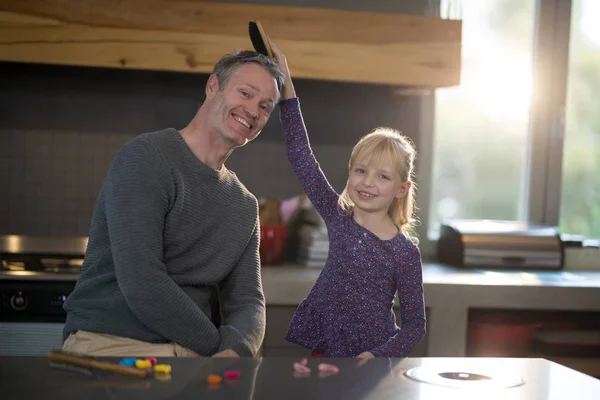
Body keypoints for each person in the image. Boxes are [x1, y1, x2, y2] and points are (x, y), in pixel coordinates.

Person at [62, 50, 285, 357]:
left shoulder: (244, 205)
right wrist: (215, 347)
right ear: (212, 87)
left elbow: (248, 301)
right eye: (245, 93)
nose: (252, 110)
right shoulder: (146, 158)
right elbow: (144, 284)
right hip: (113, 344)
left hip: (194, 355)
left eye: (265, 106)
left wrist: (236, 350)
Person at [269, 38, 426, 358]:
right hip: (325, 351)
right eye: (361, 171)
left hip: (370, 361)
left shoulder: (405, 253)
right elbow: (301, 156)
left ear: (401, 189)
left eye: (383, 176)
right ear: (350, 171)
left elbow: (415, 327)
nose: (368, 183)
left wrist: (376, 356)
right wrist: (286, 84)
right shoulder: (339, 216)